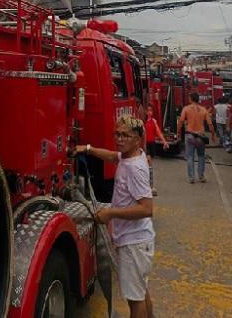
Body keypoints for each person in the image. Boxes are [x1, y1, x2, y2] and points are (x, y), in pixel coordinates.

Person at [75, 117, 156, 318]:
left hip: (134, 243)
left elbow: (147, 209)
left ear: (138, 139)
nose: (119, 139)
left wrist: (110, 213)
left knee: (134, 299)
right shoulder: (131, 156)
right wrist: (87, 148)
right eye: (117, 134)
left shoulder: (134, 168)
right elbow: (112, 156)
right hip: (137, 240)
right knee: (140, 290)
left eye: (125, 135)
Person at [178, 92, 214, 183]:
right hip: (201, 136)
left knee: (190, 157)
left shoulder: (186, 109)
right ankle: (201, 176)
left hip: (190, 135)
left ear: (191, 99)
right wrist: (213, 135)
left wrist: (178, 133)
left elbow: (181, 121)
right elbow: (210, 124)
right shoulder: (203, 110)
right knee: (201, 156)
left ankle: (192, 177)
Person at [144, 113, 167, 196]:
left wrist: (164, 142)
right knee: (148, 163)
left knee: (149, 164)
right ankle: (150, 186)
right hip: (144, 144)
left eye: (151, 110)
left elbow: (158, 132)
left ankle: (150, 186)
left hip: (151, 144)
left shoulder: (153, 121)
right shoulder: (142, 121)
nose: (150, 112)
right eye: (148, 110)